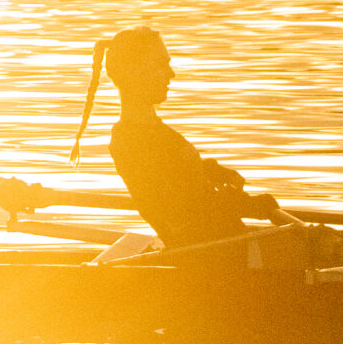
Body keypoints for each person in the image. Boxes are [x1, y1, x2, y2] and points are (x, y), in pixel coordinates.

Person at [74, 26, 274, 251]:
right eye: (161, 64)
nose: (171, 73)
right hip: (208, 263)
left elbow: (177, 179)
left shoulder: (151, 132)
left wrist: (207, 170)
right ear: (136, 71)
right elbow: (181, 212)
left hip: (227, 250)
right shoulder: (133, 140)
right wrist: (246, 205)